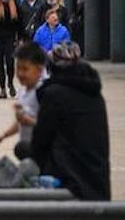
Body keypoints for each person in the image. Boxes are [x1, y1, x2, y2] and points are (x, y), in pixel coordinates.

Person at [31, 42, 110, 200]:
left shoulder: (54, 94)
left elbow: (40, 141)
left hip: (69, 181)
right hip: (98, 180)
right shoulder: (95, 94)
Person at [0, 42, 48, 160]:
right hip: (28, 151)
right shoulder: (23, 91)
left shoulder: (45, 92)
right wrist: (3, 135)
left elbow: (53, 126)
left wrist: (29, 120)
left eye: (25, 69)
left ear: (39, 70)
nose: (20, 74)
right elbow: (21, 123)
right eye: (18, 69)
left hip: (44, 154)